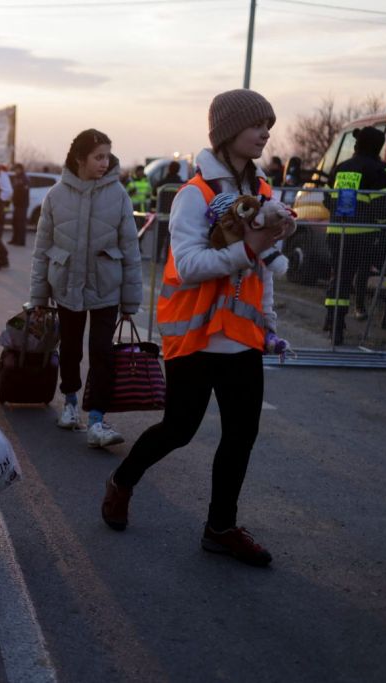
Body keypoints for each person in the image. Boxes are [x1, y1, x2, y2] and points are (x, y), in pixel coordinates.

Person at [101, 89, 295, 567]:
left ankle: (220, 527)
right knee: (179, 428)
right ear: (227, 132)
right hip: (194, 337)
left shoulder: (264, 192)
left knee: (241, 435)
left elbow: (265, 268)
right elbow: (187, 265)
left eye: (268, 124)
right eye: (257, 124)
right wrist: (246, 248)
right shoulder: (196, 194)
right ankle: (123, 481)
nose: (265, 133)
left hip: (241, 339)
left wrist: (267, 324)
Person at [29, 129, 142, 448]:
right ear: (80, 158)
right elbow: (42, 247)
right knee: (71, 348)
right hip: (66, 284)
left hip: (107, 285)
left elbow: (131, 248)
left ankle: (97, 419)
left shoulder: (118, 194)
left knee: (103, 353)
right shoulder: (55, 195)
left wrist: (131, 301)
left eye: (108, 155)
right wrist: (38, 296)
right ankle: (69, 404)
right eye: (98, 156)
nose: (105, 162)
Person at [321, 127, 386, 342]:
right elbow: (383, 205)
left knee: (340, 277)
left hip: (337, 233)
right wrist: (385, 220)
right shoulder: (378, 170)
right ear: (378, 146)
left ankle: (334, 324)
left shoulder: (341, 168)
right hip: (367, 236)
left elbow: (327, 200)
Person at [9, 162, 31, 246]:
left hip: (22, 204)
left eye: (16, 169)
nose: (15, 171)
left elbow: (24, 190)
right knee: (15, 223)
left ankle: (21, 241)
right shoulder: (17, 177)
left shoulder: (24, 178)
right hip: (17, 204)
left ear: (20, 169)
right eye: (15, 169)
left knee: (21, 224)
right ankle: (14, 239)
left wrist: (18, 188)